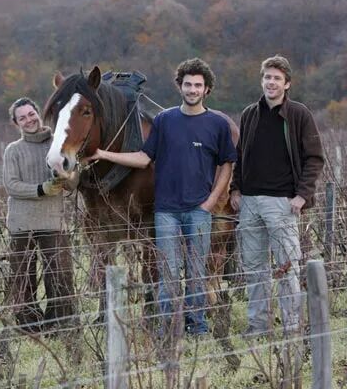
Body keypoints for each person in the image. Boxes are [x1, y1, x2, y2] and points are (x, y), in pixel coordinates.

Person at [87, 58, 237, 336]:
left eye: (198, 85)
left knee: (196, 271)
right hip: (166, 211)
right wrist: (102, 154)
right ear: (180, 86)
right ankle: (168, 326)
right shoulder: (165, 120)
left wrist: (210, 202)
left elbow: (226, 165)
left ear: (207, 89)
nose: (192, 90)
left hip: (199, 210)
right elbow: (144, 158)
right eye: (188, 84)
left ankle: (197, 325)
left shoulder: (216, 124)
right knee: (167, 272)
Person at [229, 55, 324, 337]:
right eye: (267, 77)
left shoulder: (298, 114)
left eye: (277, 78)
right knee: (254, 268)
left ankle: (292, 326)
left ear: (287, 84)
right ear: (262, 81)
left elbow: (315, 158)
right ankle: (258, 325)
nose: (271, 82)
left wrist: (302, 195)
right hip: (249, 202)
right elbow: (241, 156)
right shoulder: (249, 114)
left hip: (282, 203)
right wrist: (236, 188)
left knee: (287, 266)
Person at [3, 97, 76, 334]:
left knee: (59, 275)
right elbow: (11, 185)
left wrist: (64, 176)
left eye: (31, 114)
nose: (29, 120)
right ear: (16, 123)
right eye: (22, 118)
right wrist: (41, 189)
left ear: (38, 113)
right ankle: (29, 327)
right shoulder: (13, 150)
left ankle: (60, 325)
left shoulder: (59, 144)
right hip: (21, 223)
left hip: (53, 220)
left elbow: (73, 183)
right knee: (23, 277)